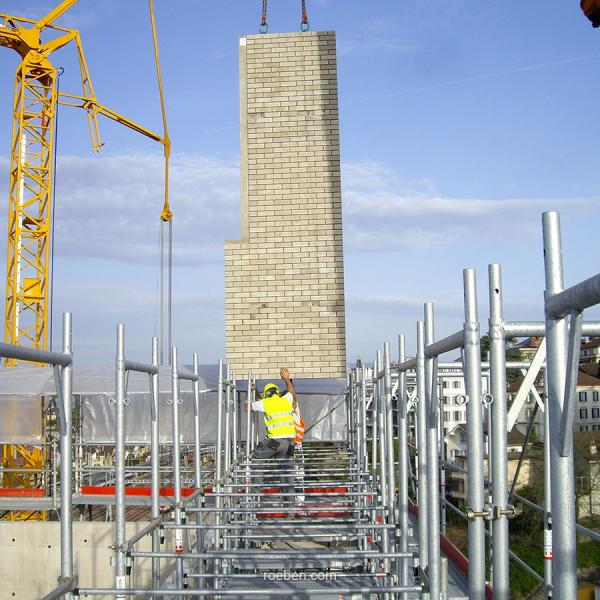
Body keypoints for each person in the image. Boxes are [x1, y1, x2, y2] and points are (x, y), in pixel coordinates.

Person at [248, 368, 297, 500]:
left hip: (274, 442)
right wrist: (286, 378)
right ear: (277, 392)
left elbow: (249, 407)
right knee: (287, 473)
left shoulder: (265, 403)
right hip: (289, 443)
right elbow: (291, 391)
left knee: (257, 459)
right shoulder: (286, 399)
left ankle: (256, 492)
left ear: (266, 394)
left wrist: (250, 392)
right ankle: (290, 509)